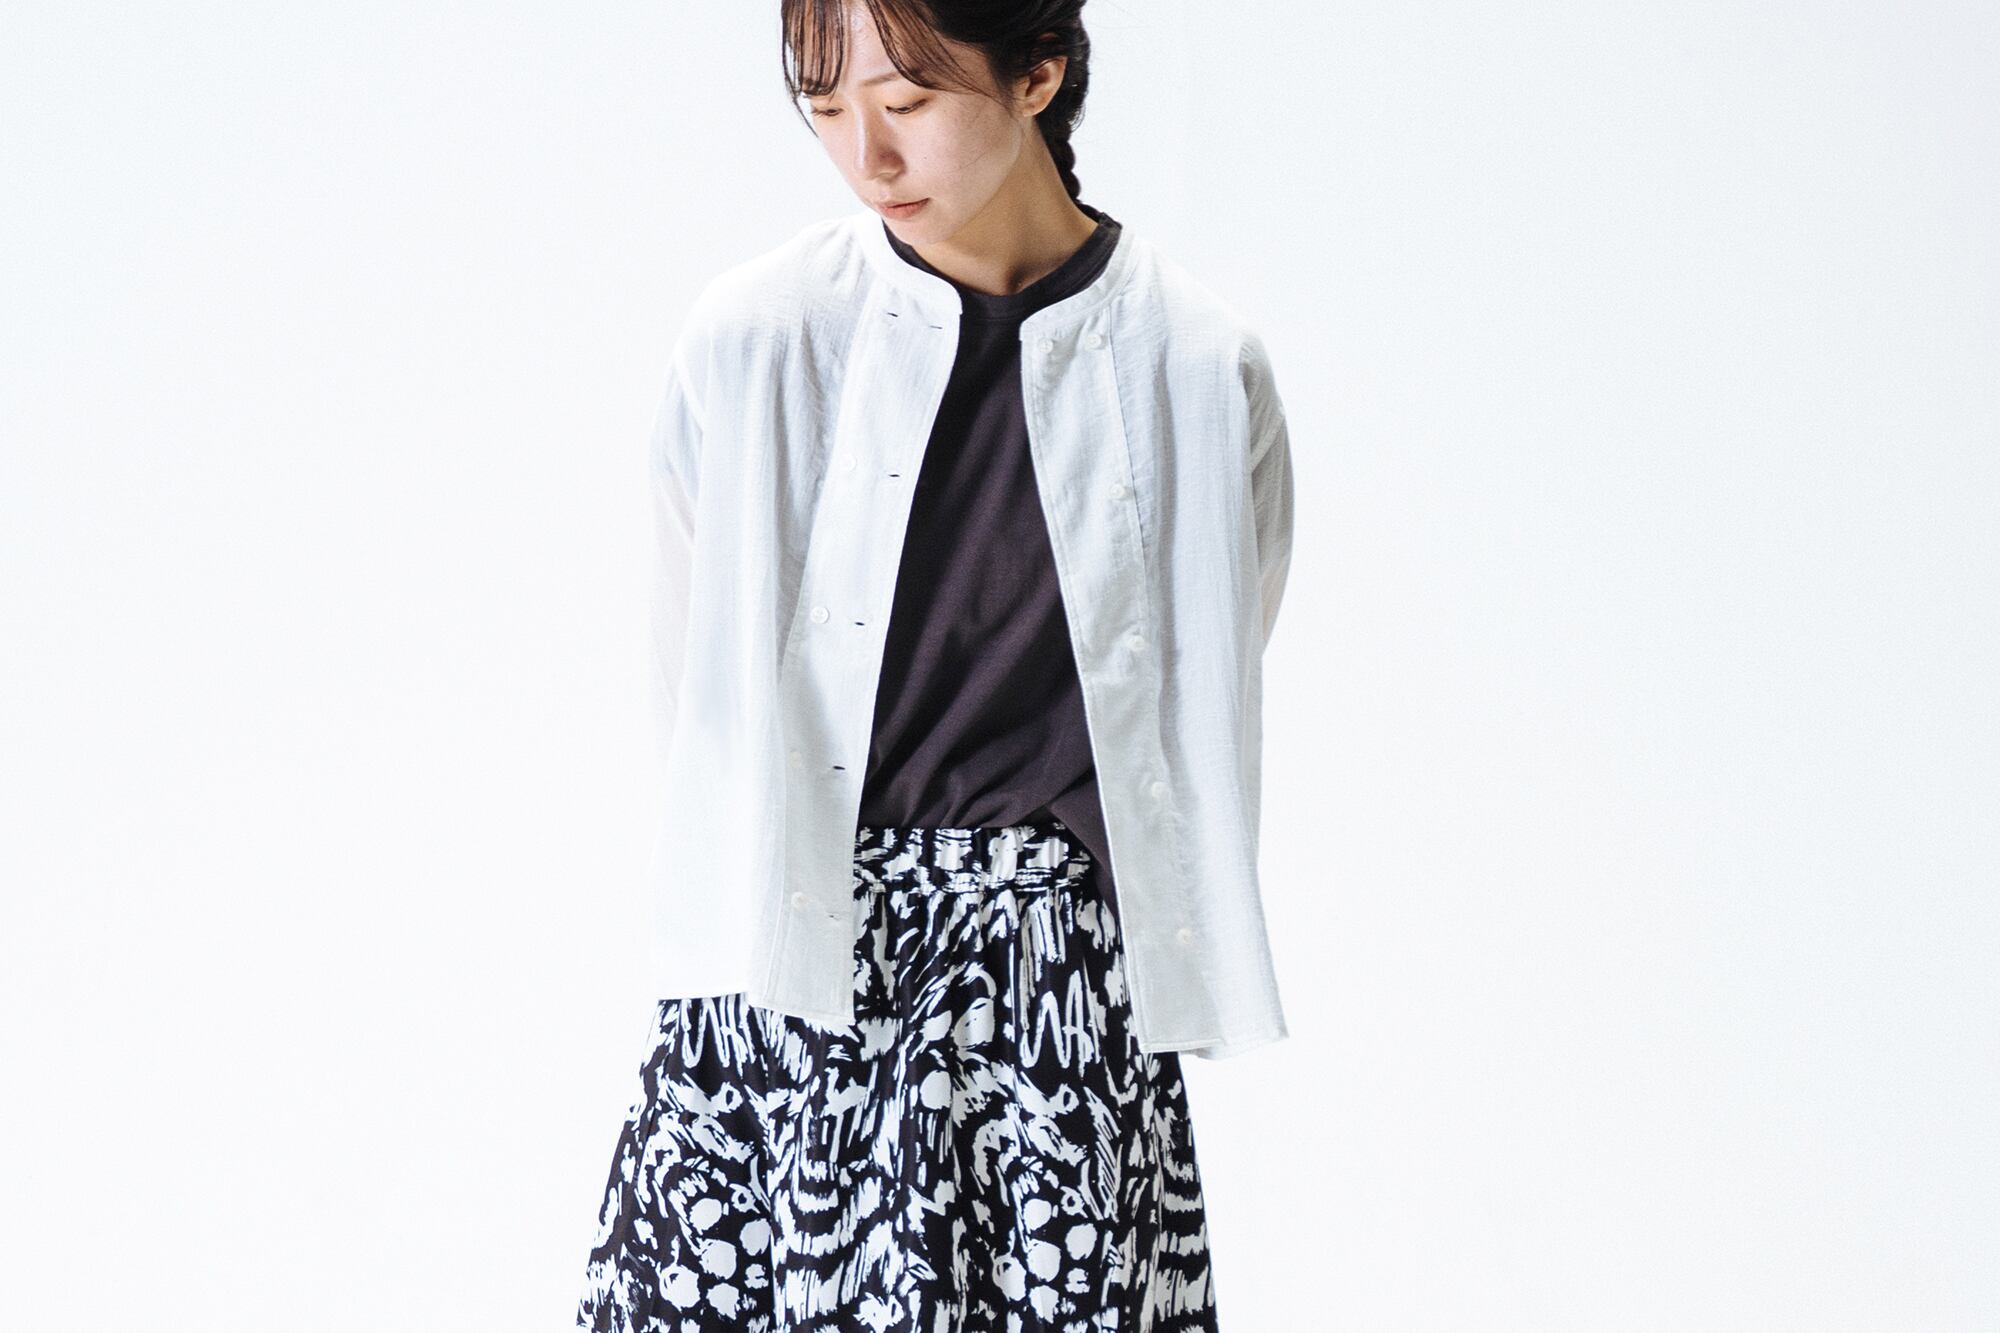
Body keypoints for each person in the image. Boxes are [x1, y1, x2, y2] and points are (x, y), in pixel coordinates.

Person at [578, 2, 1297, 1328]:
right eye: (825, 108)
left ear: (1038, 75)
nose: (867, 156)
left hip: (1053, 996)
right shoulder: (756, 342)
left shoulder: (1197, 368)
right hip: (790, 969)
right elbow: (702, 702)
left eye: (906, 105)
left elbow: (1196, 689)